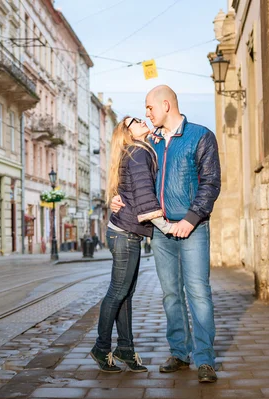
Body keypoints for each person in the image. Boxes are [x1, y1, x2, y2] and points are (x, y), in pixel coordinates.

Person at [111, 85, 221, 383]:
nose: (147, 113)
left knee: (197, 292)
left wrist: (191, 218)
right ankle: (179, 352)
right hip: (162, 232)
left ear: (165, 105)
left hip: (192, 228)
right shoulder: (151, 143)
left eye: (149, 108)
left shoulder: (200, 135)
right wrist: (117, 198)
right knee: (171, 294)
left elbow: (211, 183)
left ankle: (205, 360)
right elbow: (135, 180)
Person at [90, 115, 174, 373]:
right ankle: (101, 348)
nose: (141, 120)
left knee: (125, 294)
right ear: (127, 133)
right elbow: (144, 194)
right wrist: (167, 227)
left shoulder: (140, 149)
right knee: (117, 292)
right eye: (134, 121)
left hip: (125, 231)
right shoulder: (138, 153)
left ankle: (125, 348)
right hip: (125, 233)